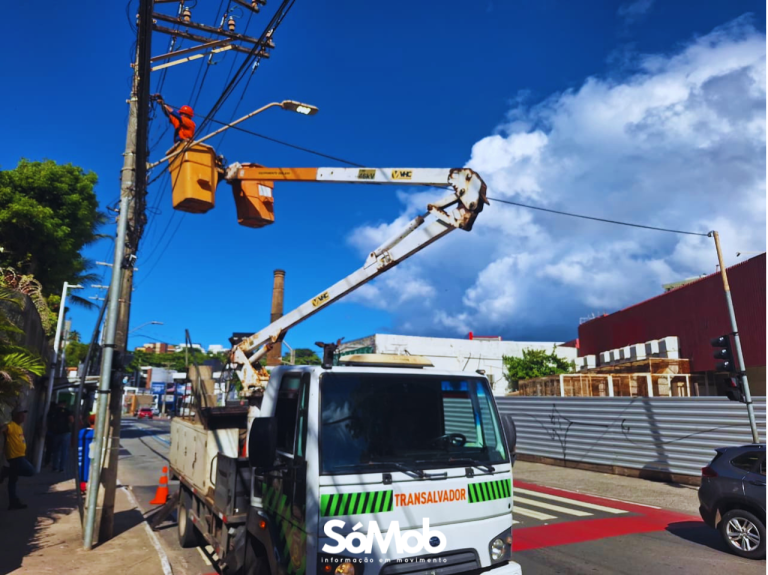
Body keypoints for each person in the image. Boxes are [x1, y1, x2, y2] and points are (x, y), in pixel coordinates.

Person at [0, 407, 36, 510]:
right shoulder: (11, 425)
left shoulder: (19, 427)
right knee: (31, 471)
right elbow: (4, 428)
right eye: (21, 414)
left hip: (19, 456)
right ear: (15, 416)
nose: (23, 417)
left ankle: (13, 502)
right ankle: (6, 471)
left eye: (24, 414)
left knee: (13, 480)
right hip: (15, 457)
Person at [48, 400, 74, 472]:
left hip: (55, 433)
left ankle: (54, 466)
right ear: (64, 404)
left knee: (56, 451)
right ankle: (62, 467)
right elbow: (72, 420)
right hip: (65, 432)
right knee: (64, 451)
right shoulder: (67, 411)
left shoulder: (53, 411)